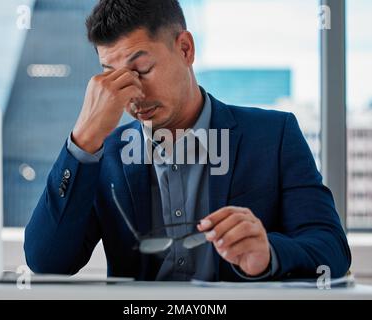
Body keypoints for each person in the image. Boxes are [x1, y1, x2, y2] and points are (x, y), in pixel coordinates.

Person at [24, 0, 351, 281]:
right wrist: (83, 138)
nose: (133, 93)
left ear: (185, 49)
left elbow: (331, 250)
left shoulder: (274, 135)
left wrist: (268, 253)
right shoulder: (102, 154)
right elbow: (47, 262)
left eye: (143, 69)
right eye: (114, 77)